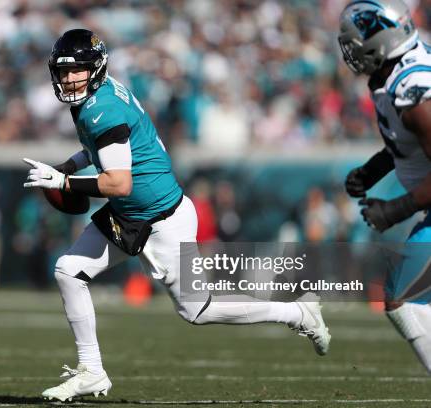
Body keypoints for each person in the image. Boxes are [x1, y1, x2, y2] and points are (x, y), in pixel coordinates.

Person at [23, 29, 331, 402]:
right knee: (68, 270)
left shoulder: (103, 109)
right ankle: (92, 370)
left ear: (96, 68)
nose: (69, 79)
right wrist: (68, 166)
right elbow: (98, 149)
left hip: (162, 219)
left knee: (197, 310)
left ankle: (297, 313)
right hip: (132, 213)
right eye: (63, 71)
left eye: (78, 70)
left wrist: (65, 182)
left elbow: (118, 182)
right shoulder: (98, 97)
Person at [338, 0, 431, 373]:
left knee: (402, 298)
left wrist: (397, 208)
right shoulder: (397, 73)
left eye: (355, 40)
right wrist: (373, 169)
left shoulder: (414, 90)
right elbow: (408, 143)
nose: (350, 50)